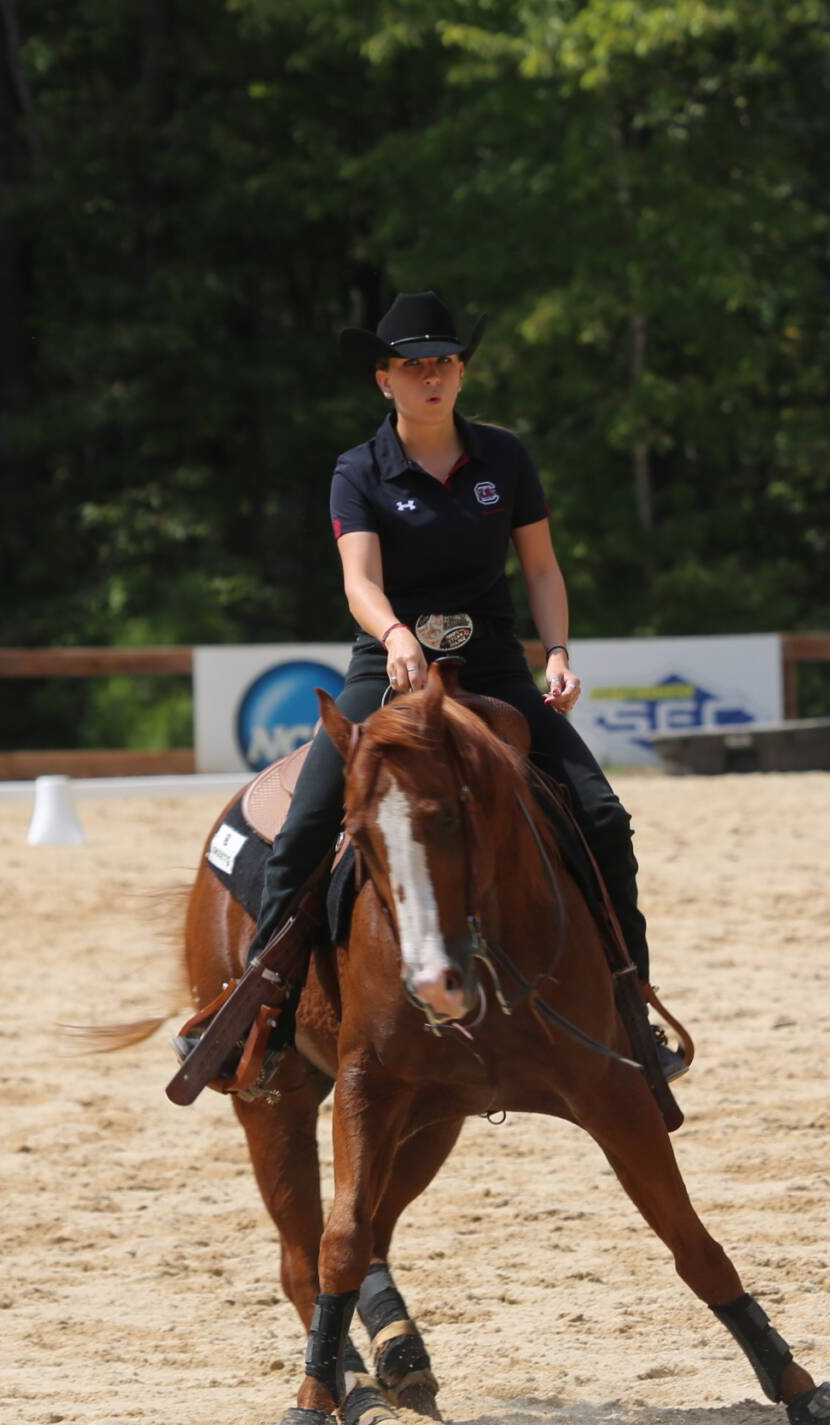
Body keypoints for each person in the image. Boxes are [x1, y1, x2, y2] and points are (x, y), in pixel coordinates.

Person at [199, 290, 675, 1081]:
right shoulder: (358, 471)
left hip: (492, 665)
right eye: (415, 366)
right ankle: (261, 1006)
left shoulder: (506, 457)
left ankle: (634, 1003)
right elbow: (359, 580)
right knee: (311, 820)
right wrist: (393, 637)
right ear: (383, 379)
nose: (434, 378)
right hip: (387, 672)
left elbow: (542, 566)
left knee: (603, 816)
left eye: (446, 363)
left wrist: (556, 651)